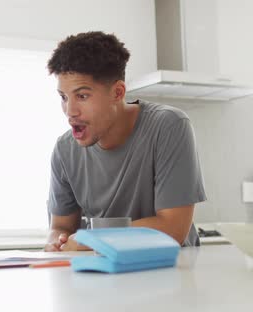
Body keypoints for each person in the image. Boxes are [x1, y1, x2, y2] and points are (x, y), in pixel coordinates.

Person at [44, 31, 206, 251]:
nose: (70, 111)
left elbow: (173, 228)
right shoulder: (64, 150)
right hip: (102, 273)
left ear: (118, 92)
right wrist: (57, 241)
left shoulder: (169, 125)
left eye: (82, 96)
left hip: (171, 269)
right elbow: (61, 226)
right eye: (63, 97)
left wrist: (89, 239)